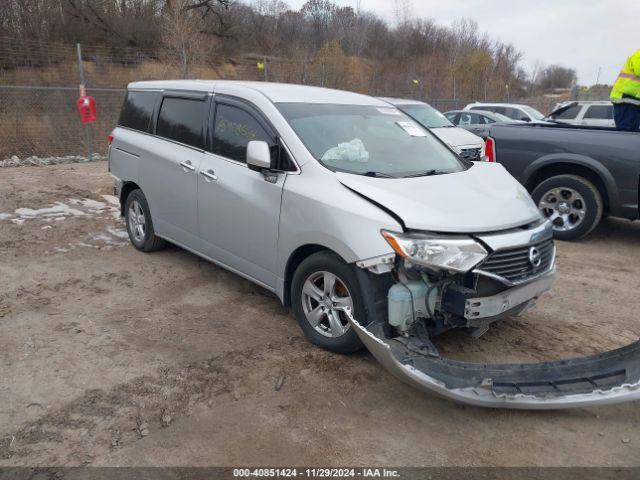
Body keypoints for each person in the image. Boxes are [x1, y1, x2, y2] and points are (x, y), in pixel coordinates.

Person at [611, 49, 640, 131]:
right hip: (625, 99)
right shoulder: (638, 55)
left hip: (633, 101)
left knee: (632, 132)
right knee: (625, 132)